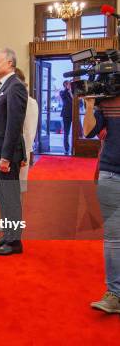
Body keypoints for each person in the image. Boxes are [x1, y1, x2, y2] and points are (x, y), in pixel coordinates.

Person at [0, 48, 27, 256]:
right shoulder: (0, 87)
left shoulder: (15, 87)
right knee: (2, 196)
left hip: (5, 154)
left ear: (10, 63)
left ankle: (15, 241)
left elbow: (14, 125)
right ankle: (8, 234)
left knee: (10, 196)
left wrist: (6, 156)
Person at [84, 95, 120, 313]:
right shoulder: (108, 99)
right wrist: (89, 107)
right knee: (113, 236)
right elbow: (89, 132)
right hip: (110, 172)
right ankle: (114, 294)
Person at [15, 68, 39, 186]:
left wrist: (24, 154)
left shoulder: (29, 102)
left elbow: (29, 131)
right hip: (7, 150)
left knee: (19, 186)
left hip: (20, 150)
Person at [60, 80, 73, 154]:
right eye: (69, 84)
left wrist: (71, 92)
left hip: (74, 115)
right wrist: (67, 89)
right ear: (65, 85)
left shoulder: (73, 92)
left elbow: (79, 103)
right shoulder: (62, 92)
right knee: (66, 132)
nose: (70, 85)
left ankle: (75, 148)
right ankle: (66, 149)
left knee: (79, 132)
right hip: (66, 115)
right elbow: (63, 95)